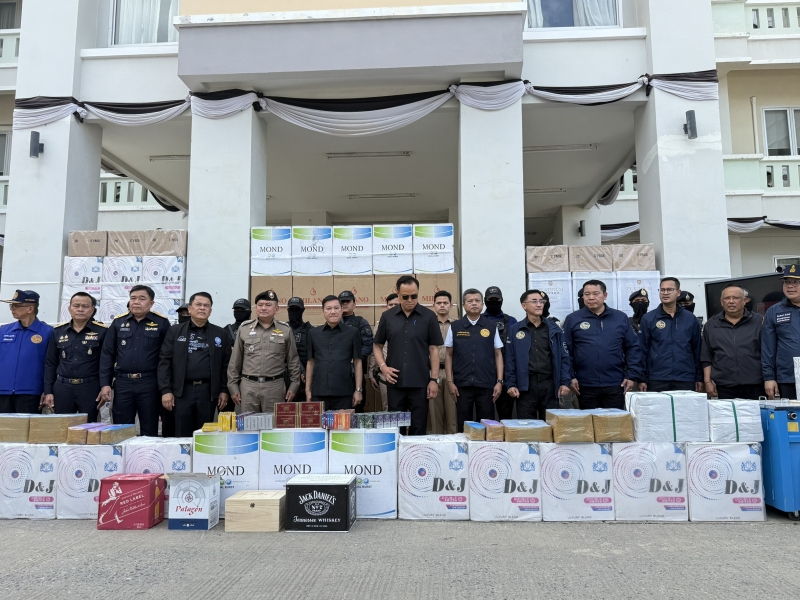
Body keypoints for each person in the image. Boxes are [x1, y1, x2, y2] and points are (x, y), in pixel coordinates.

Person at [373, 275, 443, 435]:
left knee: (418, 427)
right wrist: (383, 367)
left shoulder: (429, 317)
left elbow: (434, 350)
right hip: (394, 382)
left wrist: (434, 380)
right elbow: (377, 346)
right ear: (397, 293)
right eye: (405, 297)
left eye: (414, 296)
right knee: (396, 427)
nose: (410, 300)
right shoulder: (387, 317)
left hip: (420, 383)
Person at [99, 285, 170, 436]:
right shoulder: (118, 323)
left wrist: (166, 388)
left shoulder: (162, 323)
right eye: (133, 298)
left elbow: (167, 357)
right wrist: (105, 384)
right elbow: (107, 355)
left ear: (151, 303)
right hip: (123, 383)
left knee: (149, 429)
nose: (136, 302)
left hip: (149, 383)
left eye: (142, 299)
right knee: (121, 429)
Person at [158, 292, 232, 436]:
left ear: (210, 311)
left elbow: (226, 364)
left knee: (205, 434)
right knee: (182, 433)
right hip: (182, 391)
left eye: (206, 306)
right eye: (198, 304)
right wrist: (166, 390)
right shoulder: (175, 331)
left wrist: (224, 390)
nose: (202, 308)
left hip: (208, 392)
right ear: (190, 309)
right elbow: (164, 362)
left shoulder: (220, 333)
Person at [564, 280, 643, 409]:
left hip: (616, 382)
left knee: (614, 420)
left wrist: (632, 376)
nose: (591, 297)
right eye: (587, 294)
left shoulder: (620, 318)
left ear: (605, 295)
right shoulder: (573, 319)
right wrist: (570, 377)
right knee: (588, 420)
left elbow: (633, 348)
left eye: (595, 294)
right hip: (585, 384)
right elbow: (566, 351)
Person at [227, 290, 302, 413]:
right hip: (248, 386)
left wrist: (294, 386)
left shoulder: (285, 330)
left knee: (273, 423)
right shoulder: (244, 329)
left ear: (276, 309)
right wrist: (233, 386)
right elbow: (235, 361)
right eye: (260, 305)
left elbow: (293, 360)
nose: (263, 308)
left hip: (275, 387)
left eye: (268, 305)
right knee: (249, 422)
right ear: (256, 308)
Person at [506, 290, 572, 420]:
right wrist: (511, 384)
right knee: (526, 426)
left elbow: (564, 357)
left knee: (550, 424)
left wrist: (565, 382)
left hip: (549, 384)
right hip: (525, 386)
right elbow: (510, 359)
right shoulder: (515, 329)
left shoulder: (554, 329)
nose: (539, 305)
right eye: (534, 301)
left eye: (541, 302)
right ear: (524, 305)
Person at [43, 292, 107, 422]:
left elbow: (106, 363)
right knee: (62, 426)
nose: (80, 309)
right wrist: (48, 391)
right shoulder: (58, 331)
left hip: (90, 387)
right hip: (63, 387)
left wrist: (105, 385)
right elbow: (50, 363)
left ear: (92, 309)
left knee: (89, 427)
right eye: (76, 306)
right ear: (69, 308)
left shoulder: (102, 331)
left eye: (85, 306)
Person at [445, 289, 503, 431]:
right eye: (470, 301)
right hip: (462, 385)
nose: (474, 303)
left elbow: (498, 354)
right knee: (464, 425)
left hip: (486, 384)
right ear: (463, 305)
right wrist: (450, 381)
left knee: (487, 426)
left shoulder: (491, 326)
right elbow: (449, 355)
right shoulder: (455, 327)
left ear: (482, 304)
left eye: (477, 301)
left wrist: (499, 381)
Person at [638, 277, 703, 393]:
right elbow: (642, 350)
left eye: (669, 290)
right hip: (657, 378)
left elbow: (697, 349)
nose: (665, 293)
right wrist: (641, 378)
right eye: (662, 290)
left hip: (685, 378)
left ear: (678, 292)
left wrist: (699, 377)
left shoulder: (690, 319)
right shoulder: (649, 318)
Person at [702, 285, 763, 399]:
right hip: (724, 386)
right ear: (721, 302)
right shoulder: (711, 325)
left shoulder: (759, 321)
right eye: (727, 298)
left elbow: (768, 353)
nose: (731, 301)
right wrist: (707, 382)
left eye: (735, 298)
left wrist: (770, 379)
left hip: (755, 385)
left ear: (744, 300)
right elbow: (706, 357)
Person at [305, 295, 363, 410]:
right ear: (323, 311)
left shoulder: (352, 332)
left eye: (336, 308)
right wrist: (308, 390)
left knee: (344, 422)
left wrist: (358, 390)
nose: (333, 312)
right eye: (328, 308)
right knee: (319, 422)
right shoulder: (313, 333)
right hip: (319, 392)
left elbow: (357, 362)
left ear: (341, 310)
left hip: (344, 392)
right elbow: (310, 363)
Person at [0, 290, 53, 414]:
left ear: (30, 308)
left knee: (26, 426)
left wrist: (47, 390)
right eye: (11, 306)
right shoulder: (4, 331)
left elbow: (51, 364)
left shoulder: (48, 332)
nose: (12, 309)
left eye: (16, 306)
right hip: (3, 391)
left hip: (31, 391)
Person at [762, 264, 800, 399]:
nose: (790, 286)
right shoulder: (774, 311)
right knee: (791, 413)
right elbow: (768, 348)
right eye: (787, 282)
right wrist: (769, 377)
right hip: (787, 378)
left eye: (796, 282)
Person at [482, 286, 517, 420]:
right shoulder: (478, 320)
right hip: (484, 373)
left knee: (505, 415)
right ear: (485, 301)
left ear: (502, 300)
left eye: (497, 299)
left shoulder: (511, 321)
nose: (494, 302)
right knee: (485, 415)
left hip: (506, 373)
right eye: (491, 300)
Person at [339, 289, 374, 413]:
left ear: (354, 303)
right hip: (337, 374)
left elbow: (368, 346)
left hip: (355, 374)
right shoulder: (333, 323)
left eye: (347, 301)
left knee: (356, 409)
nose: (344, 304)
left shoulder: (360, 323)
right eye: (342, 302)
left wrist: (354, 358)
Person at [429, 290, 457, 434]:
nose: (442, 306)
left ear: (451, 305)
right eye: (439, 303)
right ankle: (436, 441)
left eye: (445, 303)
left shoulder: (458, 325)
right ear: (434, 305)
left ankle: (453, 441)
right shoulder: (428, 324)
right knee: (434, 412)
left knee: (453, 412)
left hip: (452, 373)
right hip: (433, 372)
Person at [368, 293, 399, 411]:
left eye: (396, 304)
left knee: (406, 411)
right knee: (388, 408)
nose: (393, 307)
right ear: (386, 306)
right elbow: (375, 350)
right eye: (390, 305)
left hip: (404, 372)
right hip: (384, 371)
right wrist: (371, 372)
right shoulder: (380, 324)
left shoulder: (409, 323)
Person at [287, 297, 312, 403]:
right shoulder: (281, 330)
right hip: (285, 378)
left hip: (305, 379)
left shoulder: (310, 330)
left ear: (303, 310)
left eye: (297, 309)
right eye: (291, 309)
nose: (294, 312)